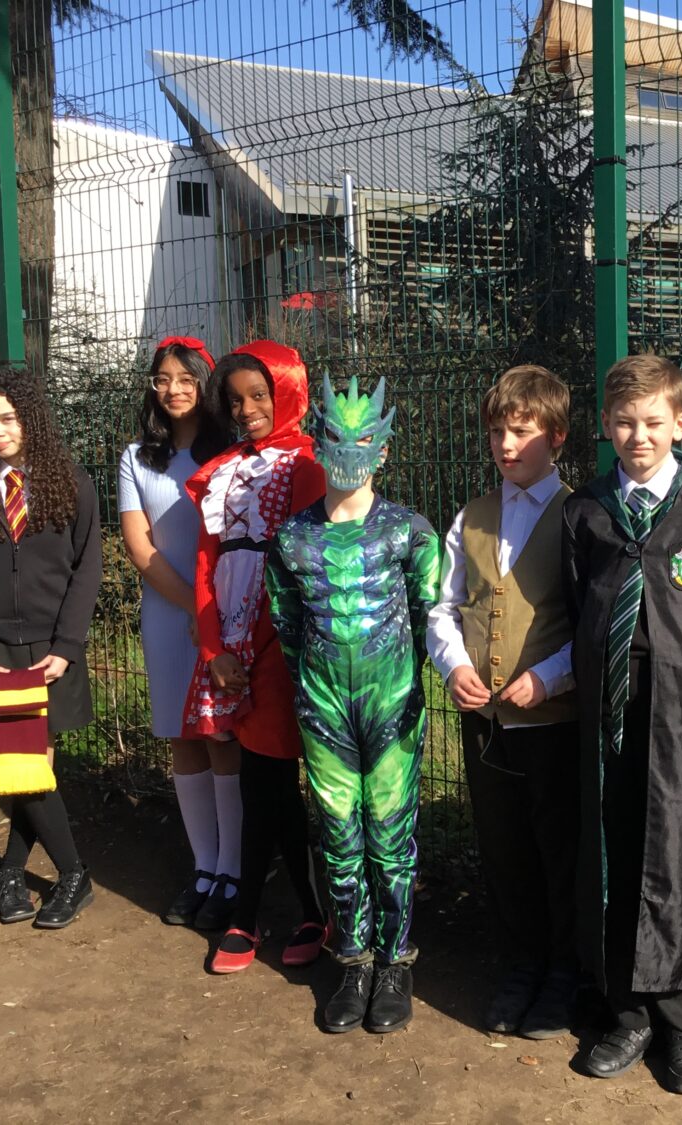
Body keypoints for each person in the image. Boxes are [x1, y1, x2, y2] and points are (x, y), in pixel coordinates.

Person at [562, 354, 682, 1096]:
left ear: (679, 423)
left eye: (652, 422)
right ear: (606, 426)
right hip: (611, 704)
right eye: (623, 422)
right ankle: (627, 1010)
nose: (637, 436)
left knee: (679, 852)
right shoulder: (587, 508)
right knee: (614, 848)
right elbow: (579, 598)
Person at [266, 374, 441, 1035]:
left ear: (385, 450)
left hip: (392, 707)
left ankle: (397, 961)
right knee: (338, 833)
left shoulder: (411, 532)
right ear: (314, 444)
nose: (348, 451)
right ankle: (354, 959)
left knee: (391, 833)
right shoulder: (290, 540)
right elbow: (287, 624)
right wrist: (314, 690)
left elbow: (432, 617)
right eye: (334, 437)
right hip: (323, 710)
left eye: (362, 438)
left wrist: (405, 686)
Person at [426, 365, 580, 1040]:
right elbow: (443, 605)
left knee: (559, 848)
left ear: (558, 435)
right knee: (504, 847)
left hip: (553, 723)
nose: (505, 444)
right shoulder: (471, 516)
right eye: (496, 431)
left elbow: (593, 626)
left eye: (520, 431)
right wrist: (455, 662)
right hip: (487, 722)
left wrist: (550, 676)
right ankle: (522, 962)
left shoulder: (582, 516)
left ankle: (566, 973)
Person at [0, 365, 102, 929]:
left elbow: (87, 571)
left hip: (49, 651)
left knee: (31, 768)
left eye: (7, 417)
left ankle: (19, 871)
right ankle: (69, 873)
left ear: (30, 415)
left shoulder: (73, 483)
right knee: (16, 765)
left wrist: (68, 643)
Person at [182, 341, 327, 975]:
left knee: (271, 778)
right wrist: (214, 647)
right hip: (230, 645)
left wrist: (267, 645)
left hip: (281, 642)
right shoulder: (224, 471)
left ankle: (261, 911)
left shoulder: (308, 466)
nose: (245, 410)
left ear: (288, 391)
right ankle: (294, 909)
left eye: (259, 396)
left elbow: (308, 564)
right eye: (235, 399)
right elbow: (206, 564)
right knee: (258, 780)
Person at [118, 336, 238, 929]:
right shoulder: (136, 457)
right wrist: (193, 605)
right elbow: (141, 548)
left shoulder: (234, 453)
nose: (173, 390)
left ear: (205, 383)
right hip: (169, 615)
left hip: (231, 612)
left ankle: (236, 870)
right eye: (162, 379)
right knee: (183, 737)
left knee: (224, 736)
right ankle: (205, 866)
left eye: (185, 378)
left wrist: (214, 610)